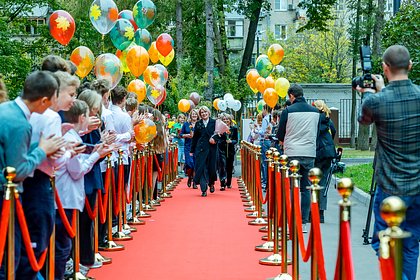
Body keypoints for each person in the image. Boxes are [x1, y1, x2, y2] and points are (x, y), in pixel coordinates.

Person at [356, 45, 420, 280]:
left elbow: (363, 120)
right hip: (417, 185)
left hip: (389, 186)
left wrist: (367, 92)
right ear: (410, 66)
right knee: (411, 244)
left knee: (382, 242)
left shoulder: (377, 101)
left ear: (385, 68)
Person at [0, 71, 65, 278]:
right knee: (11, 258)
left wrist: (40, 146)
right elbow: (17, 171)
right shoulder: (20, 123)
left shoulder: (5, 110)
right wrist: (42, 150)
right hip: (6, 199)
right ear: (44, 100)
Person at [54, 100, 112, 279]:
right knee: (62, 246)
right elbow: (77, 170)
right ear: (81, 117)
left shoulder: (73, 135)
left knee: (64, 244)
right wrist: (97, 155)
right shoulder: (71, 138)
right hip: (65, 196)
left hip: (66, 196)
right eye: (88, 115)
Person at [276, 83, 320, 232]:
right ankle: (304, 221)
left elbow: (280, 133)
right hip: (309, 152)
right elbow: (318, 132)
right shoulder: (315, 111)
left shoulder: (288, 111)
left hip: (292, 151)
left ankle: (291, 217)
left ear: (291, 96)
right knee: (306, 188)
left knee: (290, 186)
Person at [313, 100, 336, 223]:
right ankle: (321, 214)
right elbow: (334, 132)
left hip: (317, 153)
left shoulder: (314, 120)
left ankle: (312, 212)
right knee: (323, 183)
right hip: (328, 154)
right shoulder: (328, 120)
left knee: (313, 182)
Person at [190, 106, 217, 197]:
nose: (204, 114)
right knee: (201, 168)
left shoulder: (215, 122)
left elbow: (221, 134)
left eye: (205, 112)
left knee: (211, 168)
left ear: (208, 112)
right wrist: (192, 150)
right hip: (200, 149)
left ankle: (211, 183)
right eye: (202, 113)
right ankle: (204, 189)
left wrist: (214, 139)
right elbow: (195, 138)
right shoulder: (198, 123)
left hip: (211, 149)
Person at [215, 114, 238, 190]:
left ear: (230, 120)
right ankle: (222, 183)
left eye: (227, 119)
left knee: (229, 166)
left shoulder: (234, 128)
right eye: (224, 119)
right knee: (222, 165)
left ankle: (229, 182)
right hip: (221, 149)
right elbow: (217, 138)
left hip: (230, 150)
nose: (226, 121)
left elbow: (236, 140)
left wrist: (231, 141)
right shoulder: (219, 129)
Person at [180, 109, 199, 189]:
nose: (194, 115)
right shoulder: (186, 124)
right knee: (190, 163)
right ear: (190, 115)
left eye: (195, 114)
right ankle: (190, 177)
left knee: (195, 164)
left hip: (197, 147)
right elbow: (181, 134)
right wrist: (187, 135)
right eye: (193, 114)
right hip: (188, 146)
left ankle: (194, 181)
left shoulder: (199, 124)